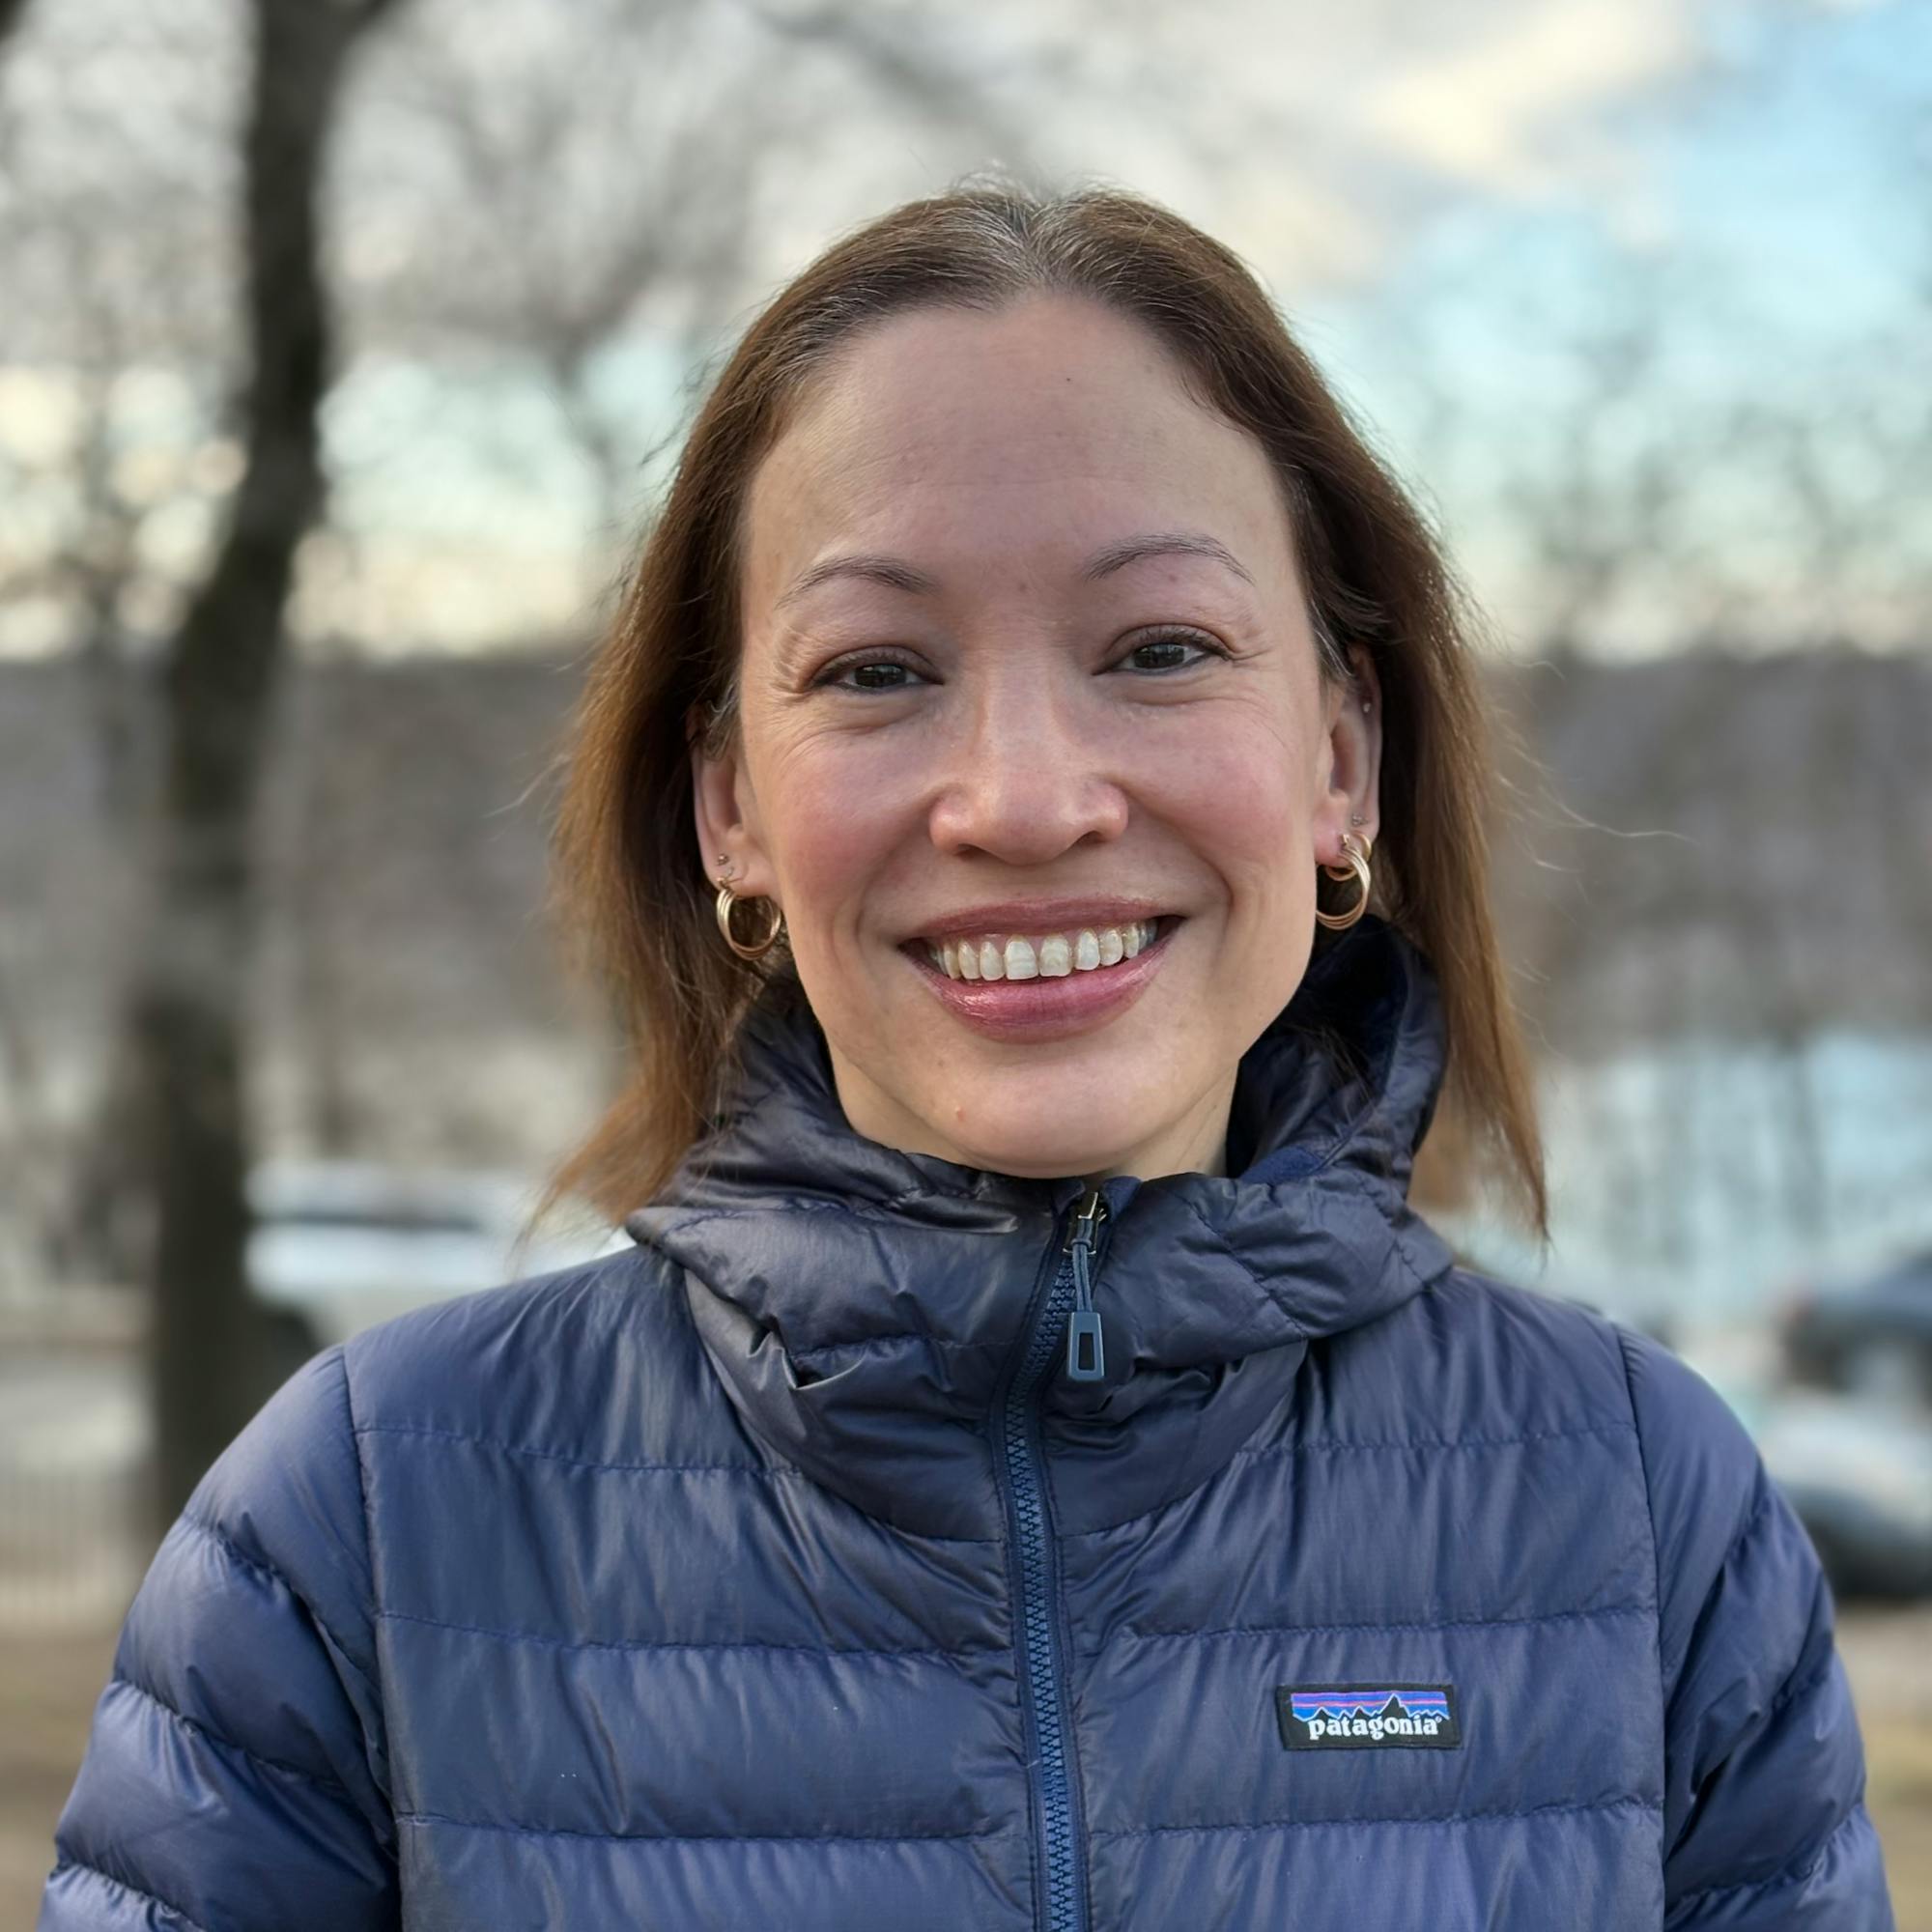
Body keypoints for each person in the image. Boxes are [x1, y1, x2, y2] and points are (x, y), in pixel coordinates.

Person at [40, 181, 1893, 1931]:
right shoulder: (361, 1521)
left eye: (1160, 647)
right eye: (875, 670)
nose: (1020, 800)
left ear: (1342, 760)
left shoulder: (1646, 1510)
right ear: (726, 808)